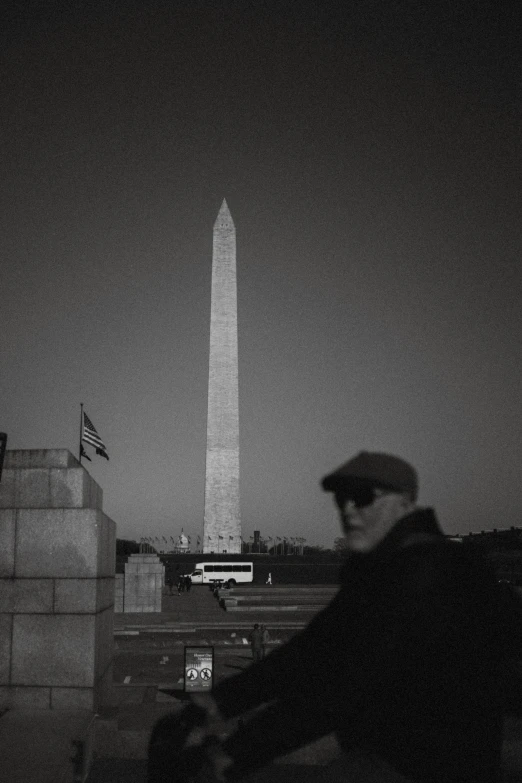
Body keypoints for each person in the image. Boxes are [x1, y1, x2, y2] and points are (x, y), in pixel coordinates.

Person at [149, 451, 522, 783]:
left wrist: (238, 753)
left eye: (362, 497)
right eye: (342, 499)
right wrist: (218, 702)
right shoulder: (383, 567)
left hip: (432, 766)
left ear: (405, 503)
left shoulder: (433, 572)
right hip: (390, 751)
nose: (347, 510)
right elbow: (312, 650)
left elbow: (346, 684)